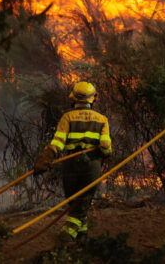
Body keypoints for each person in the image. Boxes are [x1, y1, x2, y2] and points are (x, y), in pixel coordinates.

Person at [34, 81, 111, 241]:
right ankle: (73, 235)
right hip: (91, 166)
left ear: (74, 98)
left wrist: (46, 159)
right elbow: (105, 147)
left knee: (74, 201)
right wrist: (104, 152)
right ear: (94, 99)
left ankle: (74, 236)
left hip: (71, 165)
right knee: (81, 203)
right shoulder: (102, 119)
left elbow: (58, 142)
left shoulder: (67, 117)